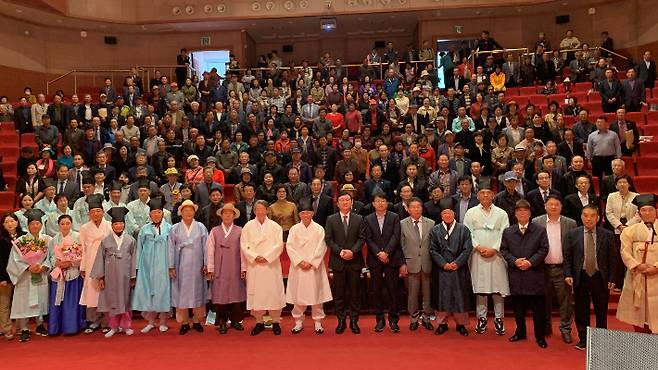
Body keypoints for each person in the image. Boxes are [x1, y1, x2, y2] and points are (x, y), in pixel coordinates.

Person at [564, 204, 618, 350]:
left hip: (600, 277)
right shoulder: (572, 234)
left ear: (598, 218)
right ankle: (584, 339)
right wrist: (568, 274)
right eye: (586, 215)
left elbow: (613, 259)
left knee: (601, 310)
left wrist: (613, 278)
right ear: (581, 217)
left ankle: (600, 339)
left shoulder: (607, 235)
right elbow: (568, 257)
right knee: (581, 310)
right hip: (580, 276)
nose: (589, 219)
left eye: (592, 216)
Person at [500, 200, 549, 348]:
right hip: (516, 274)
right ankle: (520, 332)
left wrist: (530, 262)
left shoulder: (539, 230)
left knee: (538, 310)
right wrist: (515, 261)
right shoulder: (508, 231)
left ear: (530, 213)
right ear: (515, 214)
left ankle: (540, 336)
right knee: (518, 308)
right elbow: (504, 250)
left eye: (525, 211)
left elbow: (544, 249)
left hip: (534, 274)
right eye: (519, 211)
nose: (522, 213)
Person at [464, 180, 510, 335]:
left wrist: (495, 249)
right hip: (478, 255)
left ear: (493, 195)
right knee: (481, 288)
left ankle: (499, 319)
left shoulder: (501, 213)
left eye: (488, 193)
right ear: (477, 195)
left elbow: (505, 233)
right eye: (482, 193)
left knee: (498, 288)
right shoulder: (471, 212)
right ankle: (481, 318)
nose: (485, 195)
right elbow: (467, 233)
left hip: (496, 255)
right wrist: (477, 246)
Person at [532, 195, 578, 343]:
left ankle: (565, 329)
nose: (553, 207)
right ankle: (546, 328)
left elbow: (574, 248)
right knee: (543, 301)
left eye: (556, 204)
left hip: (562, 268)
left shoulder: (570, 223)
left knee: (565, 301)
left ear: (561, 207)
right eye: (550, 204)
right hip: (542, 268)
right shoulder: (536, 222)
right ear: (545, 206)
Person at [286, 199, 332, 335]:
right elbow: (290, 247)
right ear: (299, 214)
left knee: (316, 295)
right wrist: (300, 261)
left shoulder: (319, 229)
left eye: (308, 213)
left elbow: (321, 247)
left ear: (313, 213)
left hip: (314, 267)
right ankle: (298, 322)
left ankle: (318, 322)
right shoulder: (294, 229)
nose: (306, 215)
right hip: (299, 267)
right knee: (298, 296)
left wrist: (311, 262)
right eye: (303, 213)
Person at [240, 200, 285, 336]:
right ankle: (259, 321)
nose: (260, 211)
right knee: (257, 292)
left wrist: (266, 256)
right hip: (255, 265)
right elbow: (244, 245)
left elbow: (279, 245)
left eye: (262, 209)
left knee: (273, 292)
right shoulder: (248, 227)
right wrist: (254, 256)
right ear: (254, 211)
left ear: (267, 210)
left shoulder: (275, 226)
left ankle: (276, 321)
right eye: (257, 209)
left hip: (271, 264)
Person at [429, 197, 473, 336]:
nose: (447, 215)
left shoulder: (463, 229)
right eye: (444, 213)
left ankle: (461, 325)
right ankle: (442, 324)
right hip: (441, 269)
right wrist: (443, 264)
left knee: (460, 297)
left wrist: (456, 263)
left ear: (454, 214)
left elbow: (467, 249)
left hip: (459, 268)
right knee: (442, 297)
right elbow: (432, 250)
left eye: (450, 213)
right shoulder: (435, 230)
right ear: (441, 215)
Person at [91, 207, 137, 338]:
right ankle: (113, 326)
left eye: (121, 224)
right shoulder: (105, 241)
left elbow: (134, 258)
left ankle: (126, 326)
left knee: (125, 300)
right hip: (110, 275)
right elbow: (100, 258)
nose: (118, 226)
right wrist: (101, 277)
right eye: (116, 224)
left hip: (125, 275)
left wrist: (133, 276)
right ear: (112, 225)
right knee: (111, 300)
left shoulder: (130, 240)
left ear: (124, 225)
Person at [7, 209, 51, 342]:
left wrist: (43, 266)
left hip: (41, 273)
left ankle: (40, 324)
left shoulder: (47, 239)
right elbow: (14, 260)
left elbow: (51, 257)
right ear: (28, 225)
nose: (35, 226)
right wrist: (28, 267)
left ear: (41, 224)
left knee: (41, 299)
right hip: (25, 276)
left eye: (38, 223)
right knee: (23, 301)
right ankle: (24, 328)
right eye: (32, 224)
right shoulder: (21, 241)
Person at [325, 191, 365, 334]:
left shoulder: (359, 219)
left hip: (354, 261)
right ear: (337, 203)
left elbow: (361, 238)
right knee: (339, 293)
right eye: (342, 200)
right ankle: (341, 320)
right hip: (338, 261)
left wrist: (352, 252)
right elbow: (328, 239)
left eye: (347, 200)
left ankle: (354, 321)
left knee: (355, 293)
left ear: (351, 202)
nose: (345, 202)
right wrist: (341, 252)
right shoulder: (331, 219)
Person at [617, 194, 658, 333]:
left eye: (650, 210)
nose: (647, 213)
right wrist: (637, 265)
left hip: (656, 276)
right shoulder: (629, 231)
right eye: (644, 210)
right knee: (638, 315)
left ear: (655, 211)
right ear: (639, 212)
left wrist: (656, 267)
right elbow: (625, 252)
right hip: (637, 275)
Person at [363, 190, 402, 333]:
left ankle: (393, 320)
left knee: (393, 290)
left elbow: (396, 236)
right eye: (377, 201)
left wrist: (387, 252)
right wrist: (379, 253)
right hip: (375, 258)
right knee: (376, 290)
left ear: (387, 203)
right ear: (373, 204)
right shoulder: (368, 219)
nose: (380, 203)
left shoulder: (394, 217)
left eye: (383, 201)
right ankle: (379, 319)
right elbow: (368, 238)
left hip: (391, 258)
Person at [132, 197, 172, 334]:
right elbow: (139, 248)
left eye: (159, 212)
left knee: (162, 292)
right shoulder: (144, 229)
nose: (156, 215)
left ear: (163, 213)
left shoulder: (169, 228)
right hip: (147, 266)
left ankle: (163, 322)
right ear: (150, 215)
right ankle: (150, 322)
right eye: (153, 212)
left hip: (164, 265)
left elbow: (172, 248)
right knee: (148, 292)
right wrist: (137, 267)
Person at [168, 200, 208, 335]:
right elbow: (170, 248)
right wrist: (171, 265)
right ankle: (184, 322)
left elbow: (206, 247)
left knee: (198, 292)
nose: (188, 212)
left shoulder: (201, 227)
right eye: (185, 210)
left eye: (191, 210)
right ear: (181, 212)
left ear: (194, 211)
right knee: (182, 293)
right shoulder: (174, 228)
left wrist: (206, 264)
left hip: (197, 265)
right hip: (181, 265)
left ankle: (197, 320)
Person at [207, 203, 246, 335]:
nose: (228, 215)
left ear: (234, 215)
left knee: (236, 293)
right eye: (225, 212)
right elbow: (210, 251)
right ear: (221, 215)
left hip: (235, 265)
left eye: (230, 213)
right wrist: (210, 269)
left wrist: (243, 268)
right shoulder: (214, 231)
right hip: (220, 266)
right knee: (220, 295)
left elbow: (244, 250)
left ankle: (236, 321)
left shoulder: (240, 230)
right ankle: (222, 321)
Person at [79, 194, 113, 334]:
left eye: (98, 211)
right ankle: (93, 321)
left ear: (103, 212)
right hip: (90, 261)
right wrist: (82, 267)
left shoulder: (110, 226)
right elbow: (82, 248)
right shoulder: (84, 228)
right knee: (91, 292)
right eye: (92, 212)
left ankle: (107, 321)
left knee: (105, 292)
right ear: (89, 214)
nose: (95, 214)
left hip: (107, 261)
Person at [400, 197, 435, 332]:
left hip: (427, 263)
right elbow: (400, 246)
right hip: (411, 263)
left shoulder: (431, 223)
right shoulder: (402, 224)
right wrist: (402, 264)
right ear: (408, 209)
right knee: (412, 294)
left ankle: (426, 318)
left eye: (418, 207)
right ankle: (414, 319)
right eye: (413, 207)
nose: (416, 209)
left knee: (427, 293)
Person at [47, 214, 86, 336]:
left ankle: (71, 327)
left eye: (67, 223)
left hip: (73, 273)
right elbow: (50, 256)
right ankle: (55, 327)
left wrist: (70, 262)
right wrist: (57, 262)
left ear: (71, 224)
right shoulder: (54, 239)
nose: (65, 226)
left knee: (71, 301)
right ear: (58, 225)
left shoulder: (78, 237)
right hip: (58, 274)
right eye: (62, 224)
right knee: (57, 301)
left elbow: (82, 254)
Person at [0, 213, 24, 340]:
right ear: (3, 225)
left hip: (21, 275)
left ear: (17, 222)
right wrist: (1, 278)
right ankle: (7, 329)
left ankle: (21, 327)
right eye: (6, 222)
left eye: (12, 221)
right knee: (4, 304)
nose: (10, 224)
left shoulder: (24, 236)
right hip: (6, 276)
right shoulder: (1, 239)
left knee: (20, 301)